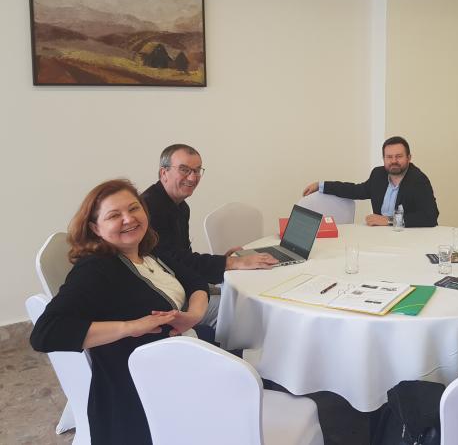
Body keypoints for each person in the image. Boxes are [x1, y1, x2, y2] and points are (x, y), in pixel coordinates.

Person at [30, 179, 211, 445]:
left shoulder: (149, 251)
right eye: (114, 215)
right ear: (96, 228)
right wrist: (130, 327)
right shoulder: (96, 269)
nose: (129, 219)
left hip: (178, 366)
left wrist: (193, 315)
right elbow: (45, 333)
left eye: (134, 208)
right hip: (139, 393)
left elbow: (196, 281)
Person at [141, 144, 277, 324]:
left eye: (197, 170)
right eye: (184, 170)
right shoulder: (150, 209)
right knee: (244, 309)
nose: (192, 177)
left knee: (241, 296)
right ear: (163, 173)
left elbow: (183, 257)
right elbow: (171, 262)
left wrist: (223, 260)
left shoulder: (180, 206)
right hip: (167, 299)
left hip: (183, 283)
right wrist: (233, 262)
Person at [302, 136, 439, 227]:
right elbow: (355, 190)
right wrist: (321, 185)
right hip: (381, 236)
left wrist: (389, 220)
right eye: (389, 157)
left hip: (408, 238)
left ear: (409, 158)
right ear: (383, 159)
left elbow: (430, 217)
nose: (394, 161)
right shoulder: (378, 174)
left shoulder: (418, 180)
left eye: (399, 156)